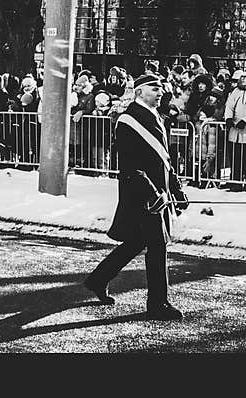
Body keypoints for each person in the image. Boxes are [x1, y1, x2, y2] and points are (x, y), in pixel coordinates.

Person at [83, 74, 189, 321]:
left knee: (136, 242)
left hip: (157, 193)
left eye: (161, 87)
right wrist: (153, 194)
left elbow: (164, 160)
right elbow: (130, 165)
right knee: (157, 245)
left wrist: (176, 189)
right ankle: (157, 304)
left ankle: (98, 280)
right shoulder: (128, 120)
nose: (160, 91)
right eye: (155, 87)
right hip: (141, 193)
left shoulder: (156, 118)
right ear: (140, 92)